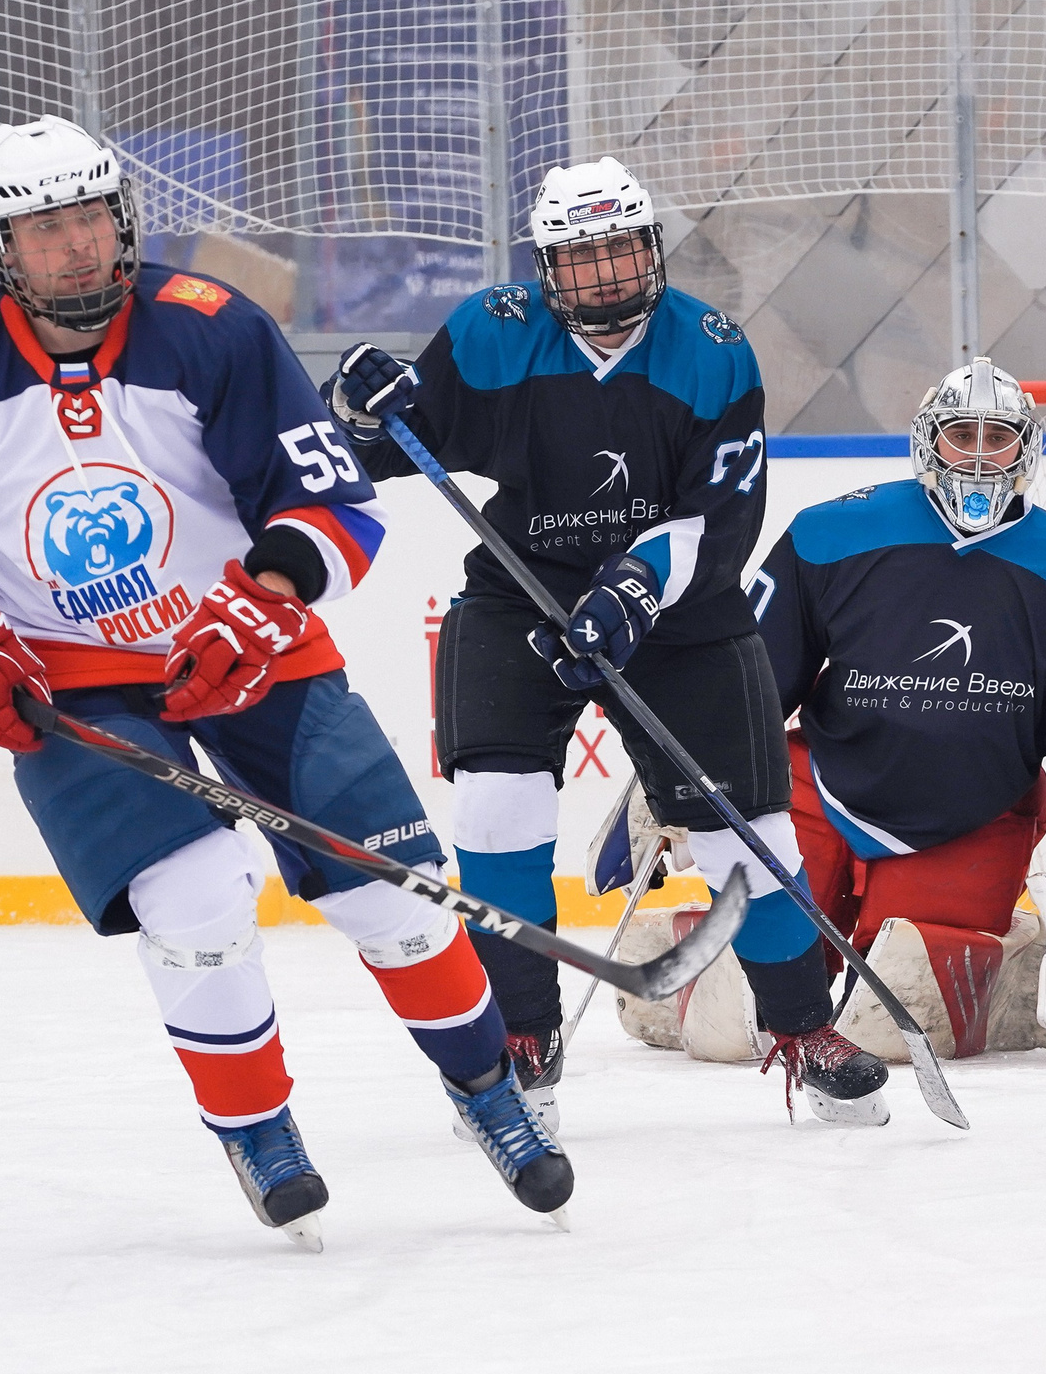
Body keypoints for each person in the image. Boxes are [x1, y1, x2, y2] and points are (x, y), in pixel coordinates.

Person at [0, 115, 567, 1247]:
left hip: (254, 651)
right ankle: (257, 1127)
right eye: (41, 229)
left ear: (120, 216)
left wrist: (268, 592)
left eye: (88, 217)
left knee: (395, 898)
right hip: (72, 686)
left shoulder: (214, 331)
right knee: (197, 895)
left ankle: (487, 1096)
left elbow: (327, 503)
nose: (73, 247)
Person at [326, 158, 892, 1126]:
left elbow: (720, 518)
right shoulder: (492, 332)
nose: (603, 276)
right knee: (499, 809)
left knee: (738, 833)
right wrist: (357, 403)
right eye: (580, 259)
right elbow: (395, 445)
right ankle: (518, 1034)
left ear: (651, 250)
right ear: (547, 268)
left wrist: (632, 591)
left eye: (620, 250)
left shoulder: (713, 352)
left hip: (678, 606)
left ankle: (798, 1025)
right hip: (522, 589)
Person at [746, 359, 1046, 1054]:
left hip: (969, 821)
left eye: (996, 435)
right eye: (959, 434)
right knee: (754, 1007)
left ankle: (1006, 962)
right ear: (926, 441)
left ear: (1024, 448)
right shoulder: (829, 534)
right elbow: (750, 679)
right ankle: (689, 954)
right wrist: (685, 775)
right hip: (823, 792)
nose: (977, 453)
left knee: (891, 1013)